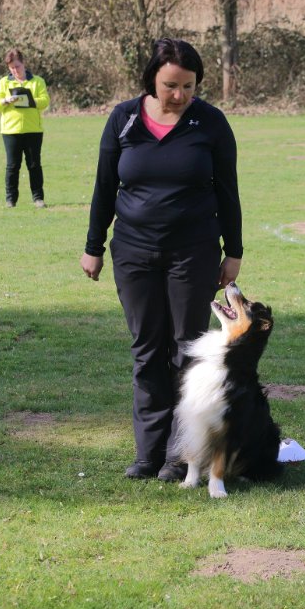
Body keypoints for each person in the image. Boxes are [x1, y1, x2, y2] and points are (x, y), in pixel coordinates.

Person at [80, 37, 243, 482]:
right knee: (146, 349)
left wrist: (233, 252)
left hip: (194, 252)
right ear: (151, 79)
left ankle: (180, 455)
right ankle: (148, 453)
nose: (180, 95)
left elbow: (227, 190)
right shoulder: (124, 119)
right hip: (133, 253)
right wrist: (94, 245)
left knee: (186, 349)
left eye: (189, 86)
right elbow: (104, 187)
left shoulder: (210, 123)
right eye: (171, 85)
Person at [0, 48, 50, 208]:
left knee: (34, 165)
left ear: (23, 63)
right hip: (11, 130)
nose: (15, 70)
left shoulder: (37, 81)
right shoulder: (3, 83)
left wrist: (30, 100)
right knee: (12, 166)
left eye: (17, 66)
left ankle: (38, 198)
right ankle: (11, 200)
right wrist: (6, 101)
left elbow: (45, 101)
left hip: (33, 130)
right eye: (11, 68)